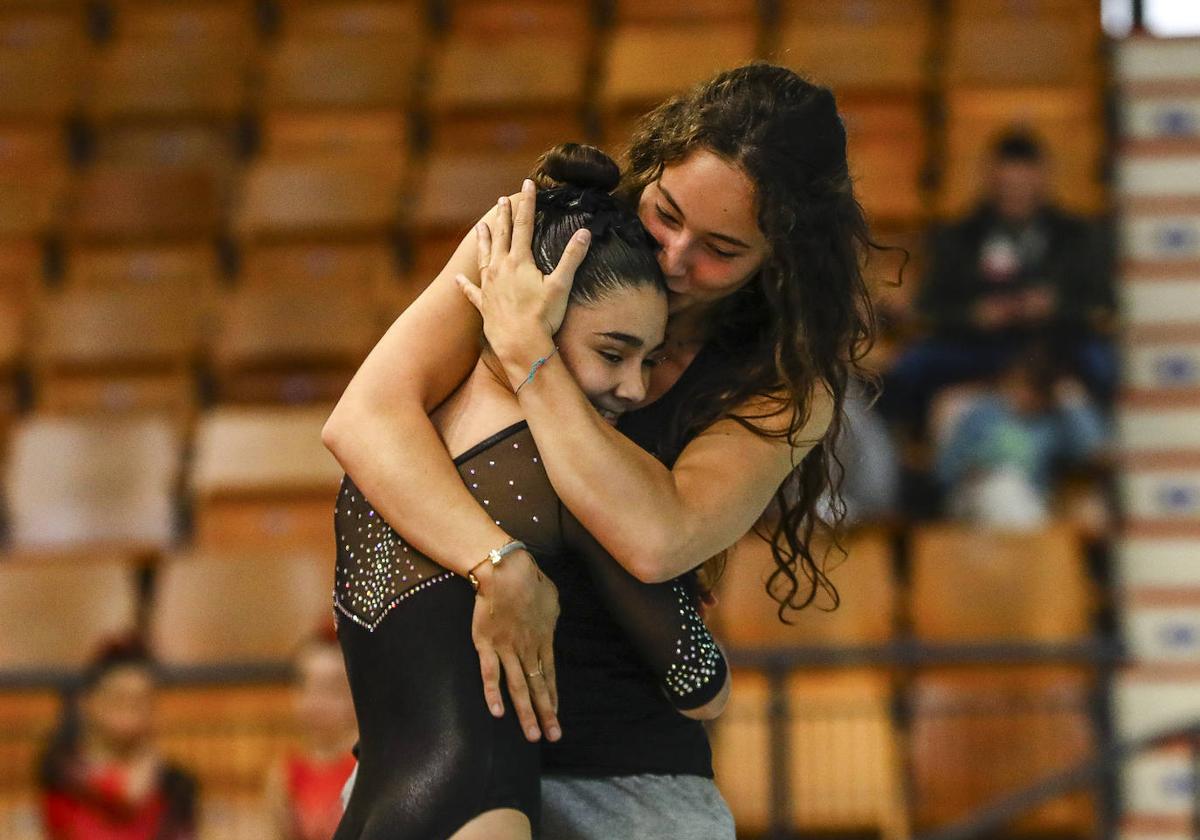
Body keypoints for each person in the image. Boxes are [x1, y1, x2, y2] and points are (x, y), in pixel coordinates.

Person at [323, 64, 876, 838]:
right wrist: (498, 562)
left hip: (626, 777)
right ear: (650, 169)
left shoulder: (785, 381)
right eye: (666, 214)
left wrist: (529, 360)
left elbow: (656, 538)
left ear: (778, 259)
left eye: (722, 248)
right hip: (438, 751)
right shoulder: (531, 236)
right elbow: (364, 418)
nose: (679, 259)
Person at [332, 144, 730, 840]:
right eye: (612, 352)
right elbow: (700, 684)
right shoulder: (564, 469)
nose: (634, 388)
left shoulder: (389, 460)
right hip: (483, 807)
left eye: (649, 358)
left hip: (371, 806)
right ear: (533, 314)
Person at [880, 128, 1116, 431]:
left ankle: (1104, 446)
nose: (1014, 193)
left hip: (1055, 345)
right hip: (980, 347)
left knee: (1104, 361)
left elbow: (1102, 303)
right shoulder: (957, 237)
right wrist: (974, 314)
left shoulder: (1077, 236)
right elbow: (930, 307)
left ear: (1042, 179)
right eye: (1007, 184)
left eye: (1022, 185)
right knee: (913, 364)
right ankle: (910, 459)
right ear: (991, 179)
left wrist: (1054, 306)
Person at [933, 343, 1109, 529]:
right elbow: (943, 469)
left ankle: (1028, 546)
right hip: (970, 499)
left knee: (1009, 490)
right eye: (1022, 384)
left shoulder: (1050, 425)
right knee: (1002, 487)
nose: (1025, 395)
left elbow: (1093, 450)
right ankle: (1034, 547)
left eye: (1036, 390)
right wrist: (970, 471)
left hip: (1027, 502)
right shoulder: (982, 413)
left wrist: (1071, 397)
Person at [38, 637, 197, 840]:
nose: (129, 714)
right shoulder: (60, 769)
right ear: (88, 702)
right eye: (119, 699)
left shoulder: (176, 785)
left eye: (140, 702)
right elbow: (126, 793)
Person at [263, 626, 358, 840]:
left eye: (331, 690)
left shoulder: (368, 772)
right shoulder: (284, 775)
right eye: (307, 687)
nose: (317, 703)